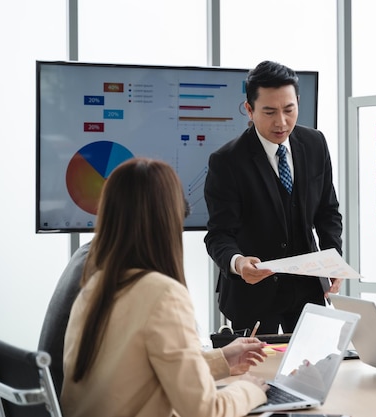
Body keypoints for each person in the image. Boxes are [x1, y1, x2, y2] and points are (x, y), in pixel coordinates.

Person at [61, 157, 269, 417]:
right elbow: (205, 411)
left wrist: (222, 359)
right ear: (169, 221)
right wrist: (251, 390)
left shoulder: (96, 285)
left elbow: (140, 370)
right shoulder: (162, 295)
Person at [204, 60, 343, 334]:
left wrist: (333, 257)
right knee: (254, 375)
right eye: (269, 112)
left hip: (307, 291)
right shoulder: (227, 161)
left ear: (298, 102)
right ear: (249, 109)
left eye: (289, 110)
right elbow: (219, 235)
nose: (281, 122)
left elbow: (328, 212)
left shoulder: (315, 143)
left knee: (310, 370)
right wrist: (238, 262)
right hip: (252, 296)